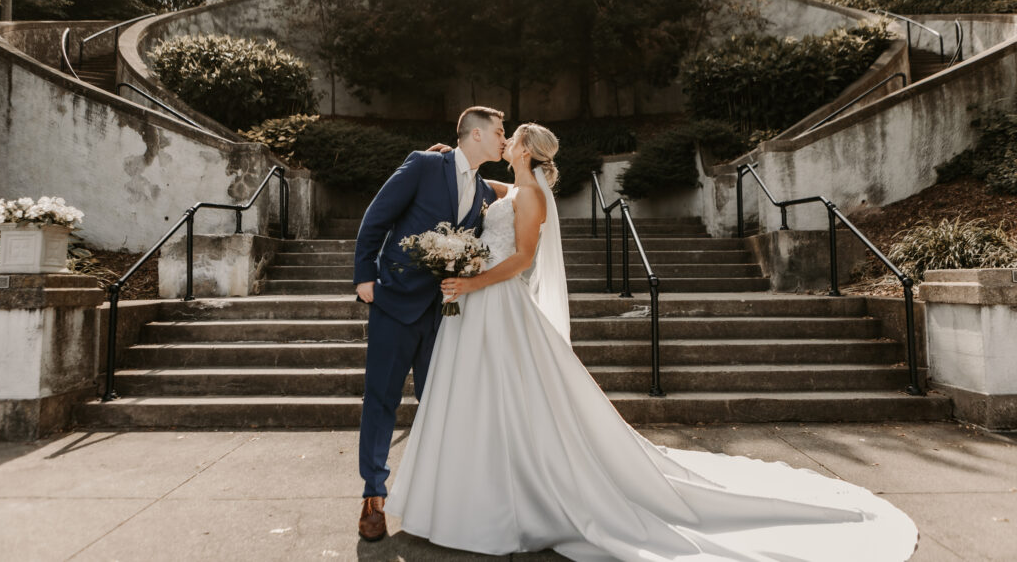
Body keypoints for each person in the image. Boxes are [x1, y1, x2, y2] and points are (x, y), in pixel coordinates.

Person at [384, 123, 919, 561]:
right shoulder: (519, 189)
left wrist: (470, 281)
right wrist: (450, 156)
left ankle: (507, 497)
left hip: (495, 301)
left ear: (524, 148)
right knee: (480, 398)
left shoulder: (533, 197)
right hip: (480, 307)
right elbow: (490, 192)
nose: (503, 140)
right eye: (501, 133)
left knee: (510, 398)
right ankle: (471, 493)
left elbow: (522, 259)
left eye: (510, 135)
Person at [352, 106, 506, 542]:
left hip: (444, 315)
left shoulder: (483, 192)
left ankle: (438, 500)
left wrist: (531, 175)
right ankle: (373, 498)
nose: (503, 139)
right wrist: (364, 274)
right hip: (395, 302)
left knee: (439, 404)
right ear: (474, 135)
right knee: (381, 400)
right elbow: (377, 216)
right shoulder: (424, 164)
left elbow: (526, 194)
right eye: (499, 132)